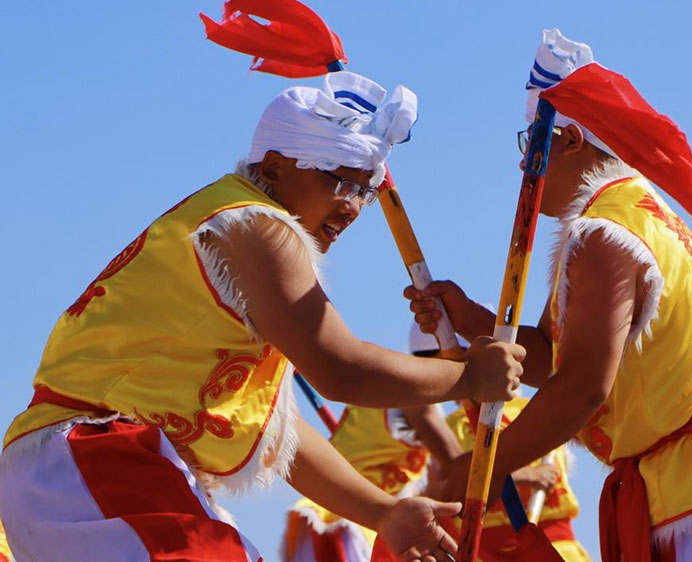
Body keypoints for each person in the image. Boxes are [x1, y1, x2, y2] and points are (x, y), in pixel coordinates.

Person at [0, 68, 524, 562]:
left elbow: (279, 432)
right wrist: (468, 376)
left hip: (77, 469)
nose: (354, 206)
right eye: (341, 181)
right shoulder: (259, 226)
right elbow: (341, 368)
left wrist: (382, 511)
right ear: (274, 167)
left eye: (366, 189)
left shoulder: (239, 233)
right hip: (89, 457)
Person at [406, 29, 692, 562]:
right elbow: (555, 355)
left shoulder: (602, 232)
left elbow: (585, 385)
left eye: (530, 145)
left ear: (568, 142)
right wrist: (470, 317)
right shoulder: (629, 212)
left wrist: (487, 467)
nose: (524, 166)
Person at [282, 324, 467, 562]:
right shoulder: (412, 391)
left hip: (349, 513)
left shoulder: (396, 383)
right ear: (445, 354)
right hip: (350, 522)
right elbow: (460, 469)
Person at [445, 395, 591, 562]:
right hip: (482, 548)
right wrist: (527, 474)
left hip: (550, 542)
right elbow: (450, 489)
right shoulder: (541, 409)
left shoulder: (539, 411)